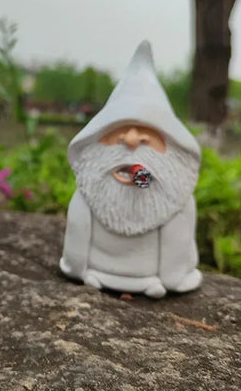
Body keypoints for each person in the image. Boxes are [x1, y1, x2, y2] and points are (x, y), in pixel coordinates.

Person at [60, 41, 202, 298]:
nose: (132, 140)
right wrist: (77, 266)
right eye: (119, 131)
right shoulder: (88, 195)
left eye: (147, 134)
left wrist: (172, 278)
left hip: (153, 278)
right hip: (98, 271)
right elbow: (77, 233)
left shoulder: (176, 202)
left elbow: (177, 244)